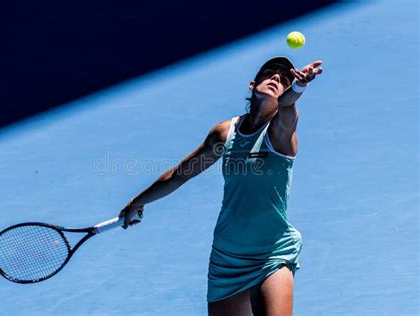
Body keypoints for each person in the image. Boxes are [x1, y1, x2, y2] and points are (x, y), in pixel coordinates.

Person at [119, 56, 323, 315]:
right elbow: (180, 175)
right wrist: (139, 201)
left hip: (271, 253)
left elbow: (288, 106)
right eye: (269, 73)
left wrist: (298, 88)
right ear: (252, 84)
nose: (276, 79)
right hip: (227, 258)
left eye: (284, 80)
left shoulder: (281, 131)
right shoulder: (226, 133)